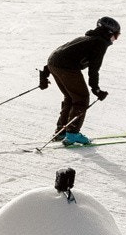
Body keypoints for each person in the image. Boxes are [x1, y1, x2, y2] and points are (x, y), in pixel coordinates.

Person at [44, 16, 120, 144]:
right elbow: (94, 69)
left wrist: (45, 73)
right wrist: (96, 89)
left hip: (54, 63)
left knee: (70, 97)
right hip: (65, 67)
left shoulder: (87, 39)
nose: (116, 39)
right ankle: (72, 134)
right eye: (117, 35)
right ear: (109, 33)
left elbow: (60, 52)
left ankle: (61, 132)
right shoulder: (100, 43)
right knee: (81, 98)